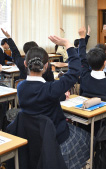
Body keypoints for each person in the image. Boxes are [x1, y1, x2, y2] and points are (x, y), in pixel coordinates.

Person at [17, 34, 90, 168]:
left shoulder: (20, 87)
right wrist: (67, 44)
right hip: (57, 137)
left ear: (25, 64)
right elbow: (75, 71)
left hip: (33, 138)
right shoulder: (51, 89)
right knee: (89, 139)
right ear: (46, 65)